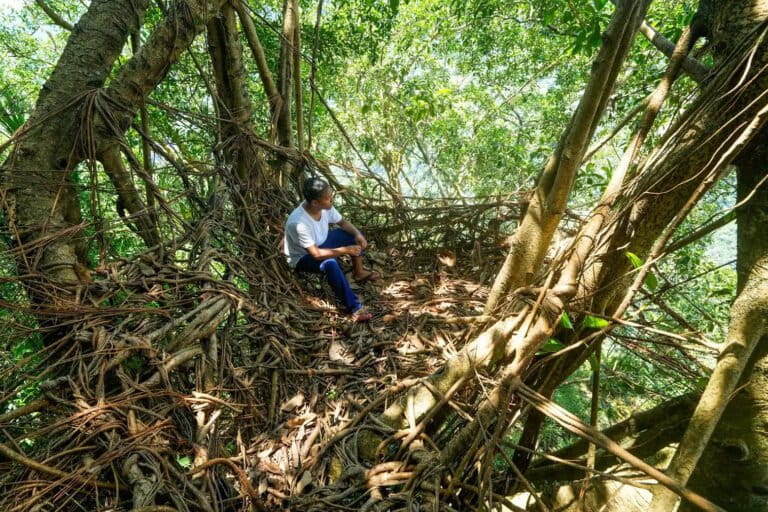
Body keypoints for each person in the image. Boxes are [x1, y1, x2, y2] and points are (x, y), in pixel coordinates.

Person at [284, 177, 381, 322]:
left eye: (331, 196)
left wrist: (357, 234)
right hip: (303, 257)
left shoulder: (325, 206)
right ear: (315, 202)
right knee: (330, 263)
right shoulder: (298, 223)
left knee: (353, 235)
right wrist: (345, 250)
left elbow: (343, 222)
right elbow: (316, 255)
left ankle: (359, 273)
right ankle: (354, 308)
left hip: (321, 243)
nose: (332, 200)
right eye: (328, 198)